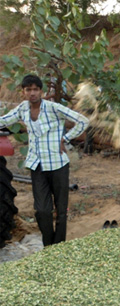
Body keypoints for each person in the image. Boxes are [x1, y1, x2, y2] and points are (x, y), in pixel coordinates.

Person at [0, 74, 89, 246]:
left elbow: (82, 121)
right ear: (23, 92)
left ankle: (58, 246)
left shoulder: (53, 108)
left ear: (41, 91)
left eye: (35, 89)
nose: (32, 93)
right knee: (42, 210)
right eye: (28, 90)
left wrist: (67, 138)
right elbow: (4, 120)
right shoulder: (22, 109)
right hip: (38, 165)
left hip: (58, 164)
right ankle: (49, 246)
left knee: (61, 210)